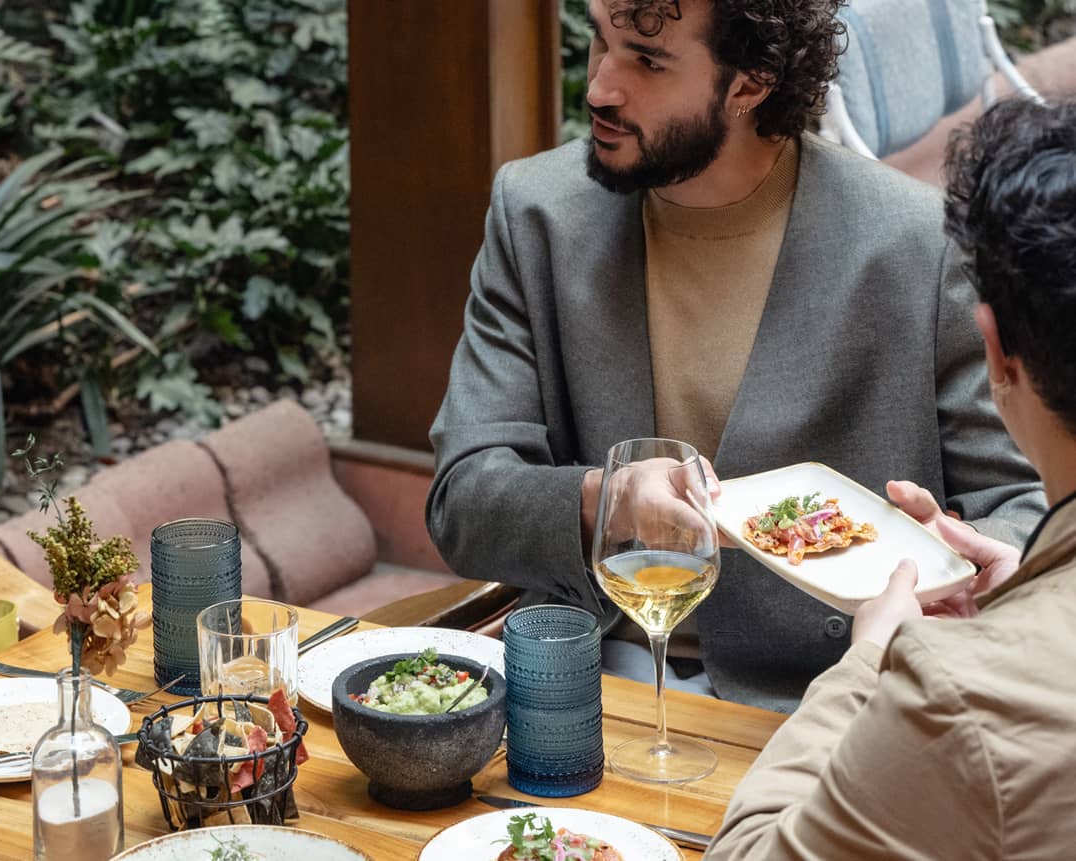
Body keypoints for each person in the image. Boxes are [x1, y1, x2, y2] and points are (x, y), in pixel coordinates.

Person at [426, 0, 1046, 711]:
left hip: (832, 698)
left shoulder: (916, 245)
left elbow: (1019, 504)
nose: (600, 85)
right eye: (600, 42)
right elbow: (462, 498)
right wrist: (601, 500)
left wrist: (948, 563)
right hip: (589, 686)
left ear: (751, 81)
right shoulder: (537, 212)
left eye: (647, 60)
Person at [708, 96, 1076, 860]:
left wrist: (871, 659)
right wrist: (1024, 588)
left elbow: (750, 851)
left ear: (995, 347)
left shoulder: (956, 692)